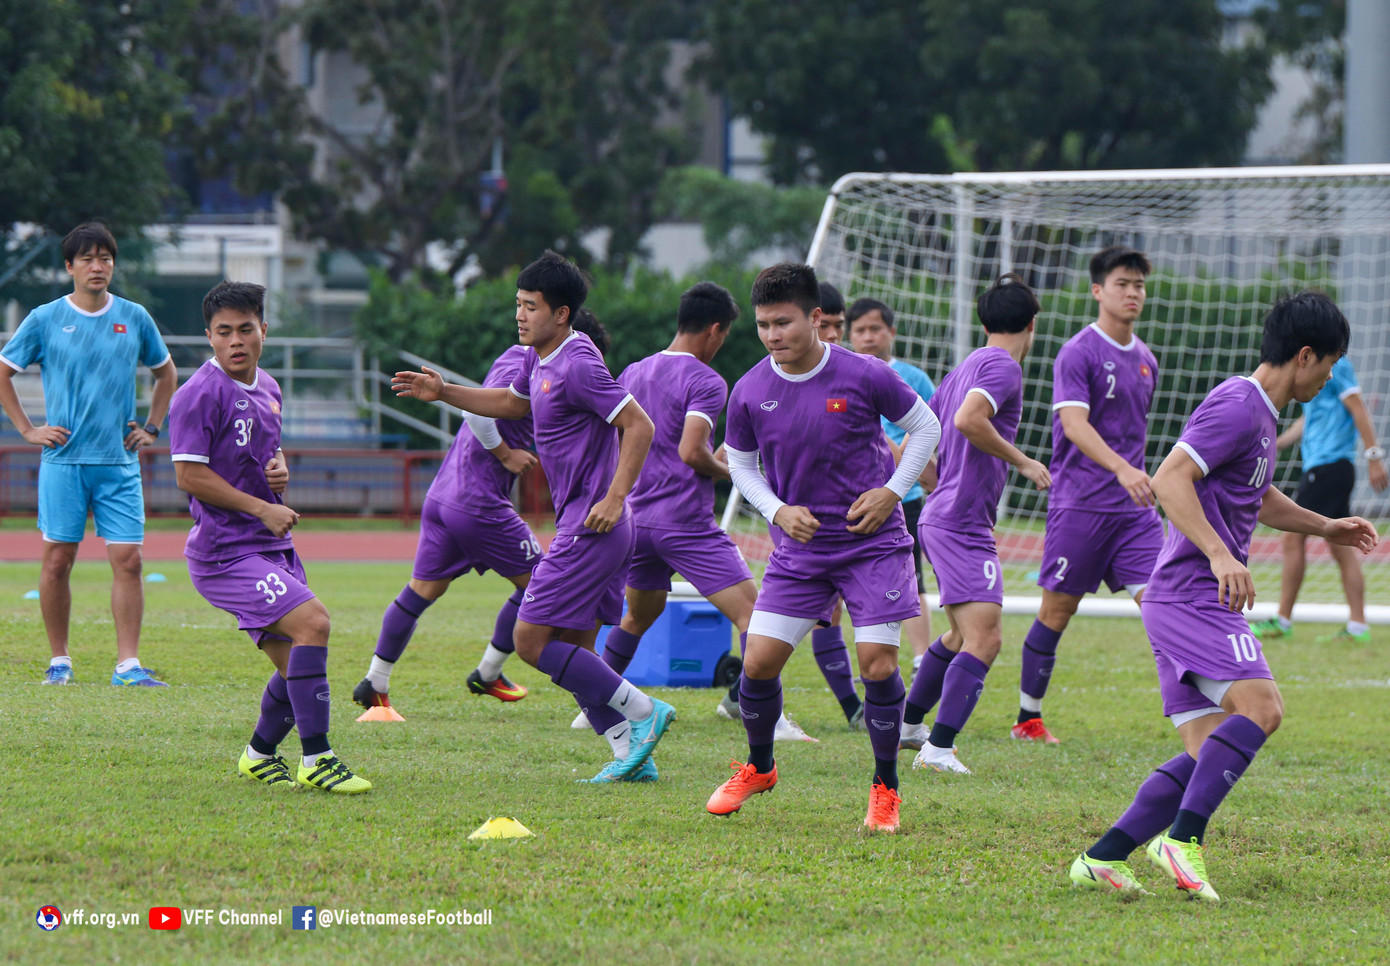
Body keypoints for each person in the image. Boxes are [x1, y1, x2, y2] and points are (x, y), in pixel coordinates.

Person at [1070, 291, 1375, 902]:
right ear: (1305, 355)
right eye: (1329, 364)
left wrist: (1326, 526)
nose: (1329, 378)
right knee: (1263, 708)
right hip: (1191, 596)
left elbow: (1257, 497)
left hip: (1180, 599)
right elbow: (1169, 478)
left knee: (1207, 752)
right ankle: (1182, 841)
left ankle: (1101, 858)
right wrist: (1218, 553)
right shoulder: (1239, 404)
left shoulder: (1262, 414)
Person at [393, 251, 676, 783]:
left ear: (561, 314)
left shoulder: (578, 362)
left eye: (531, 306)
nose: (519, 315)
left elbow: (640, 426)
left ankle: (644, 710)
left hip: (593, 527)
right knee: (573, 647)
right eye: (518, 304)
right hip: (596, 527)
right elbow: (511, 404)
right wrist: (443, 391)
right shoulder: (538, 358)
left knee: (530, 642)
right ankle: (629, 756)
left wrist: (615, 497)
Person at [704, 263, 940, 832]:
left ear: (814, 318)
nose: (772, 335)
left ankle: (885, 788)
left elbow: (927, 427)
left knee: (877, 663)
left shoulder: (864, 373)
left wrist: (891, 491)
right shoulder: (750, 389)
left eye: (783, 323)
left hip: (872, 545)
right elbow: (741, 464)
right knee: (757, 664)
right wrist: (777, 511)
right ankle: (760, 767)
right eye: (763, 325)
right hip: (801, 551)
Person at [353, 309, 613, 715]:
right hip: (479, 502)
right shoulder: (531, 360)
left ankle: (376, 680)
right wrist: (506, 454)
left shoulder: (523, 357)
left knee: (423, 591)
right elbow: (475, 412)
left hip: (444, 495)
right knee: (540, 583)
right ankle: (489, 673)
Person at [170, 281, 371, 792]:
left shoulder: (270, 388)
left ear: (264, 329)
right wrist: (263, 507)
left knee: (295, 665)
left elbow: (263, 453)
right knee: (314, 623)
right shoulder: (197, 394)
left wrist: (277, 469)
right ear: (209, 337)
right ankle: (317, 758)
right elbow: (189, 476)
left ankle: (259, 754)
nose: (235, 341)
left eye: (245, 329)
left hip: (268, 545)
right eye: (223, 332)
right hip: (224, 554)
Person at [0, 223, 179, 686]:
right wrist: (28, 429)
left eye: (105, 258)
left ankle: (128, 667)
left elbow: (166, 374)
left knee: (130, 561)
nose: (97, 266)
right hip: (64, 463)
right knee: (58, 562)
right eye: (87, 258)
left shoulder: (134, 316)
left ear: (113, 264)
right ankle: (59, 662)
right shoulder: (45, 318)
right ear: (70, 266)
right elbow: (3, 371)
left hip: (119, 463)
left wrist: (152, 427)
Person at [903, 274, 1052, 773]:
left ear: (985, 323)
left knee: (958, 636)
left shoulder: (961, 369)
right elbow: (969, 420)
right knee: (985, 639)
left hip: (942, 516)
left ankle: (909, 726)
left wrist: (941, 486)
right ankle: (939, 750)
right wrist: (1024, 462)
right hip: (960, 522)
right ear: (1032, 324)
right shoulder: (1004, 367)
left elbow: (916, 442)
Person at [1019, 247, 1164, 743]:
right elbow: (1074, 425)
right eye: (1122, 283)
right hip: (1080, 506)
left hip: (1134, 513)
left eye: (1139, 285)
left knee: (1164, 604)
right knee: (1057, 612)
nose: (1132, 293)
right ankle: (1028, 719)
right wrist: (1122, 468)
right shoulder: (1078, 352)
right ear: (1098, 290)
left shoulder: (1147, 359)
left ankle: (1198, 707)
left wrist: (1133, 475)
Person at [1250, 355, 1387, 643]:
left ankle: (1282, 620)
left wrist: (1374, 456)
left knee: (1292, 537)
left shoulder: (1337, 364)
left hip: (1329, 465)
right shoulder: (1314, 373)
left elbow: (1357, 406)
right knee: (1342, 545)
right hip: (1327, 467)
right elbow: (1310, 418)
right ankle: (1358, 626)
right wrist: (1279, 443)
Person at [847, 298, 936, 690]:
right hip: (851, 495)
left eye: (875, 329)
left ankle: (920, 659)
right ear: (850, 335)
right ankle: (868, 661)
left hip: (904, 496)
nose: (868, 337)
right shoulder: (842, 374)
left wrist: (914, 469)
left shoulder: (914, 378)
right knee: (852, 583)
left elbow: (929, 428)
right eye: (860, 330)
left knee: (911, 579)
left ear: (892, 332)